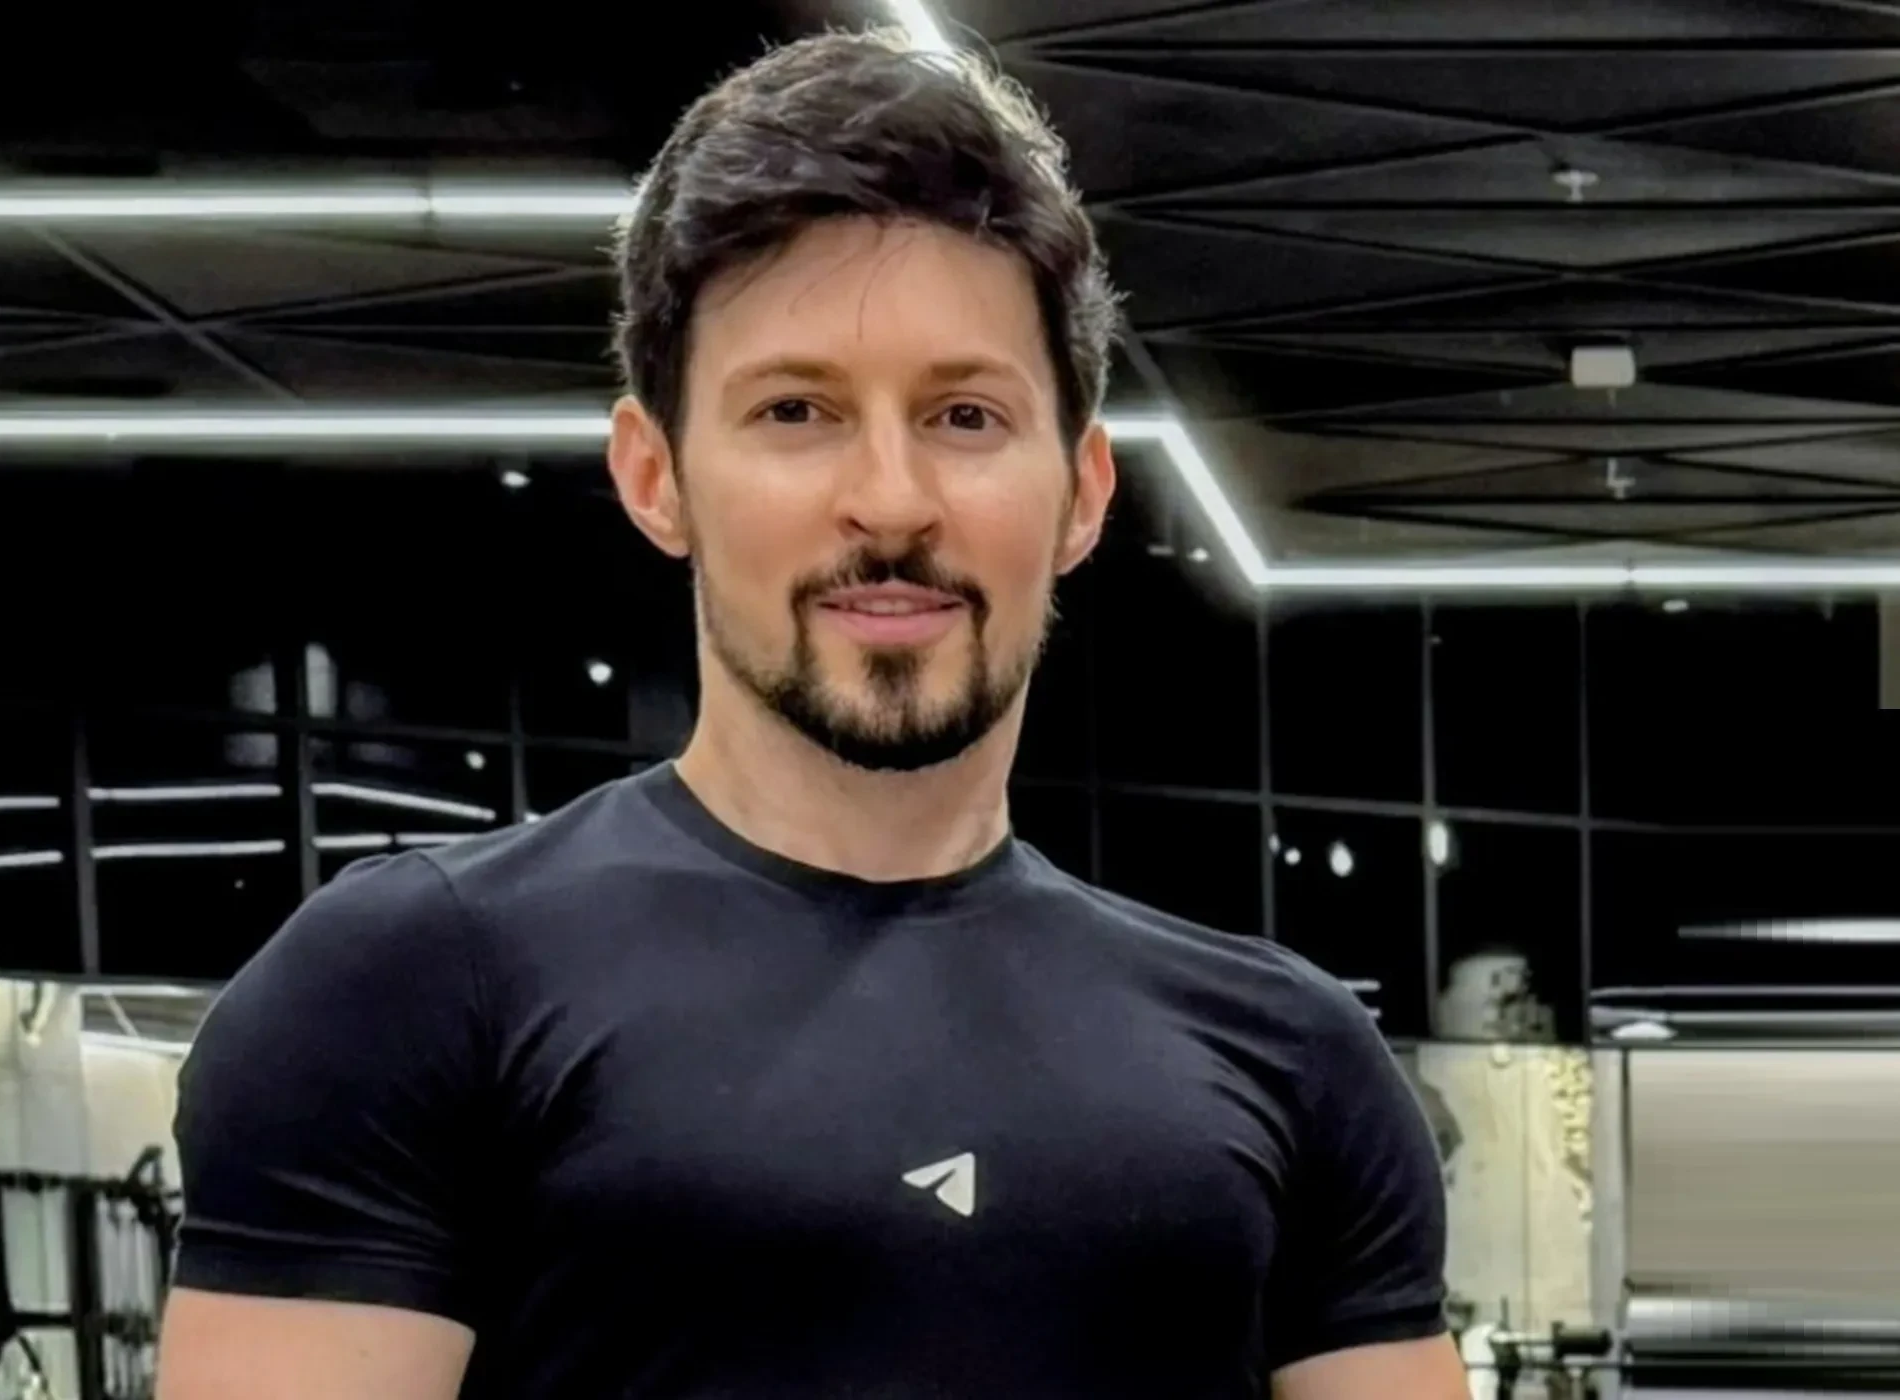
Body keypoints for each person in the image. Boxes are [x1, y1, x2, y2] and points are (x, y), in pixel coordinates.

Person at [155, 28, 1462, 1400]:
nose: (890, 503)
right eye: (795, 412)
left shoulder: (1293, 1055)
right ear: (656, 477)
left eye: (964, 416)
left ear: (1081, 494)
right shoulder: (408, 990)